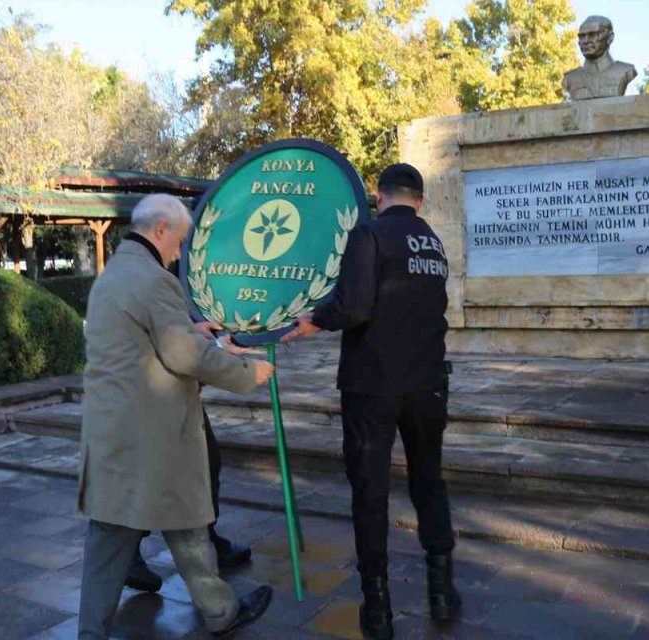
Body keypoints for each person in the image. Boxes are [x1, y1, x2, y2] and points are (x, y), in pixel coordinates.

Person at [77, 194, 275, 640]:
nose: (178, 253)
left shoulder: (111, 278)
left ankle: (218, 611)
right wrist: (249, 372)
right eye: (179, 241)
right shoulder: (154, 280)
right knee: (179, 526)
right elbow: (184, 356)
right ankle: (220, 613)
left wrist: (198, 335)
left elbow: (150, 342)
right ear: (160, 229)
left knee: (141, 534)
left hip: (113, 434)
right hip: (154, 438)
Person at [283, 163, 458, 639]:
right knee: (429, 483)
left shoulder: (369, 236)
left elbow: (355, 307)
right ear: (419, 200)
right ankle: (442, 591)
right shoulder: (434, 244)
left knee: (370, 493)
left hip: (372, 386)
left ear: (378, 196)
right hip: (427, 384)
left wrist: (313, 321)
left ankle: (377, 608)